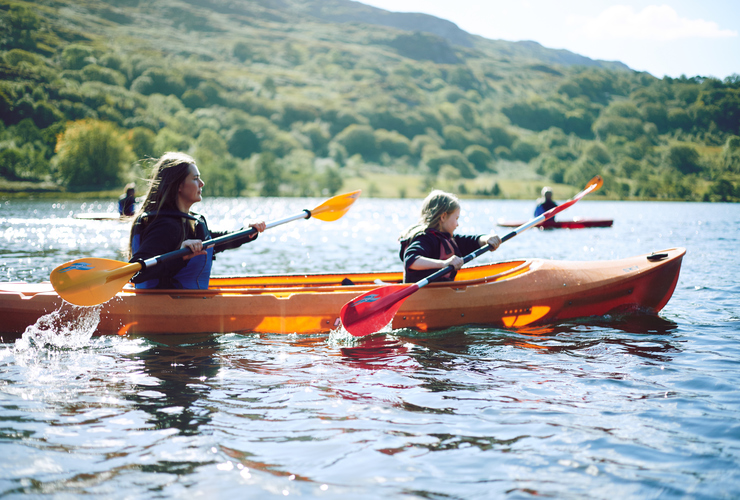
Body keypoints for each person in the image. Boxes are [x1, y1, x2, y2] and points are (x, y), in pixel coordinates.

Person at [127, 152, 266, 289]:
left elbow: (213, 242)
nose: (202, 183)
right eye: (195, 178)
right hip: (170, 307)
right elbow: (135, 272)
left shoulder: (186, 222)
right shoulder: (166, 226)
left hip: (187, 304)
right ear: (179, 186)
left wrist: (247, 232)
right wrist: (181, 257)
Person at [399, 190, 502, 283]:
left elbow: (472, 242)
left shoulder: (448, 239)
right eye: (456, 218)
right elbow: (411, 260)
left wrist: (487, 239)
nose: (457, 224)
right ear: (443, 217)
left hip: (440, 294)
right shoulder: (425, 238)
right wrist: (444, 264)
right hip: (422, 297)